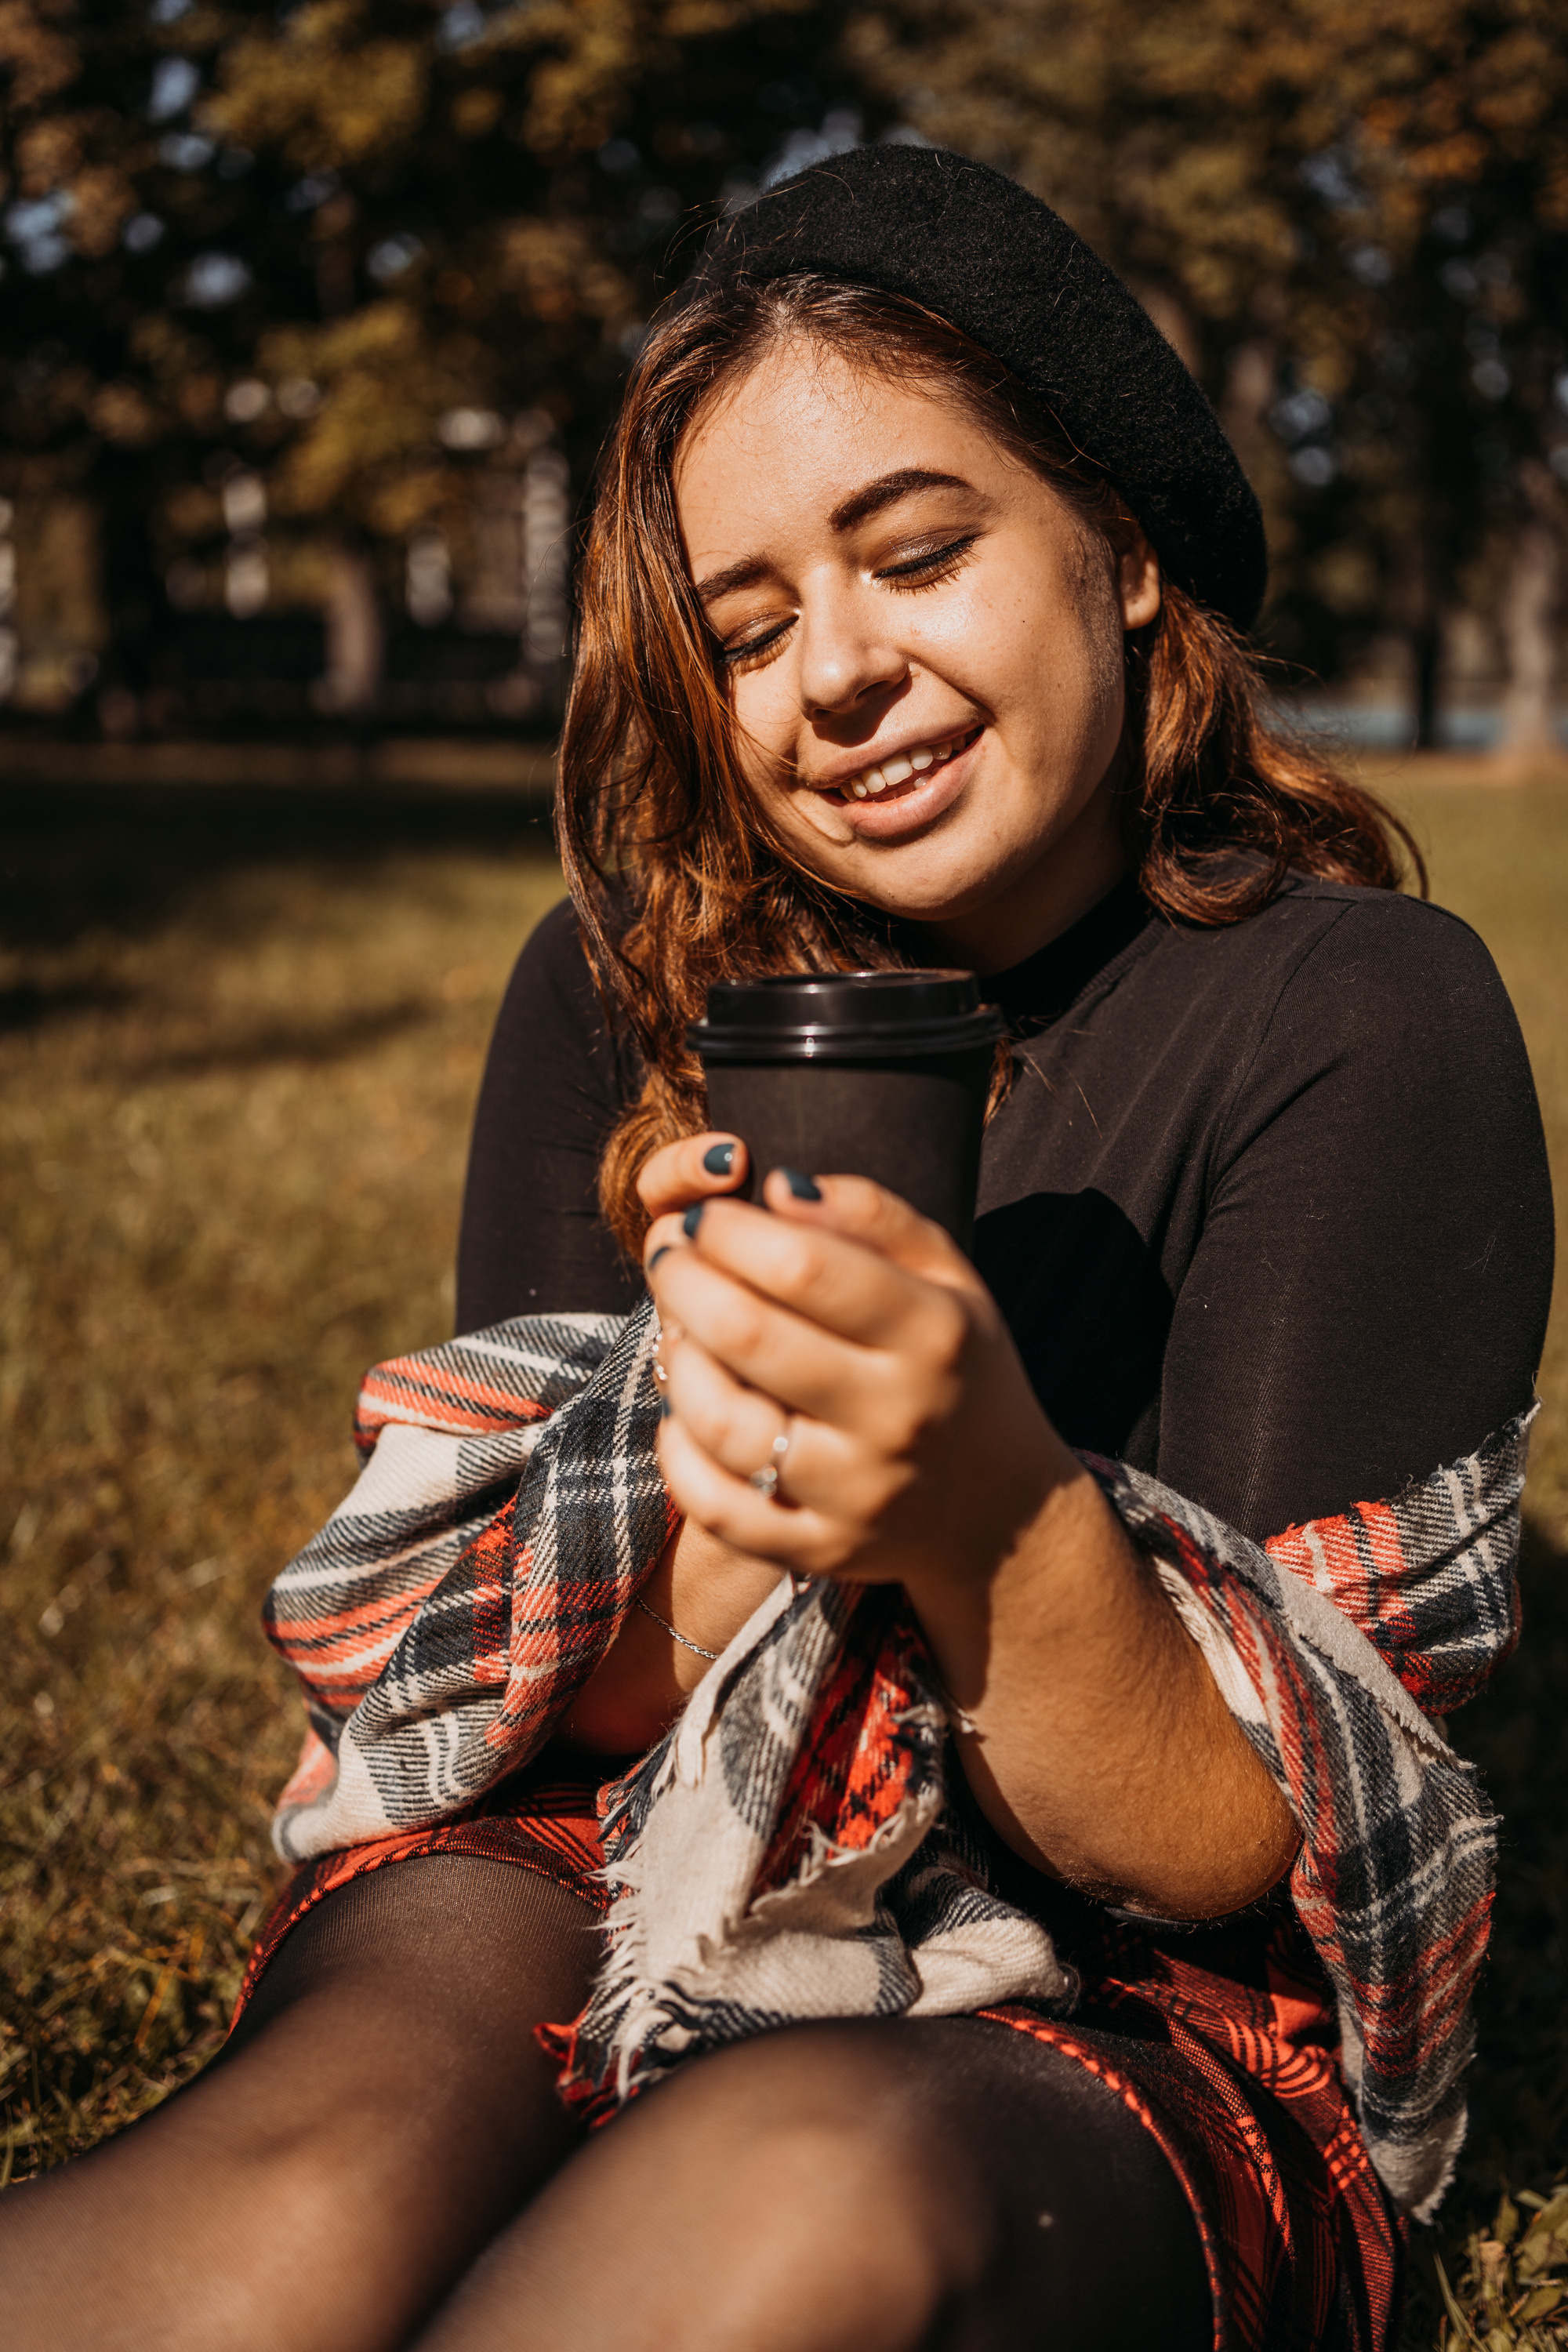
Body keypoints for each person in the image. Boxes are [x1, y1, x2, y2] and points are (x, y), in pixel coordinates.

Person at [2, 145, 1552, 2352]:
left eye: (918, 554)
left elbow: (1221, 1849)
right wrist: (722, 1493)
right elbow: (570, 1724)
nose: (836, 674)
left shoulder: (1357, 1015)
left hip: (1147, 2009)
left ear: (1116, 550)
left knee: (799, 2183)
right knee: (314, 2167)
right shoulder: (624, 988)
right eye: (745, 626)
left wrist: (979, 1500)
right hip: (625, 1868)